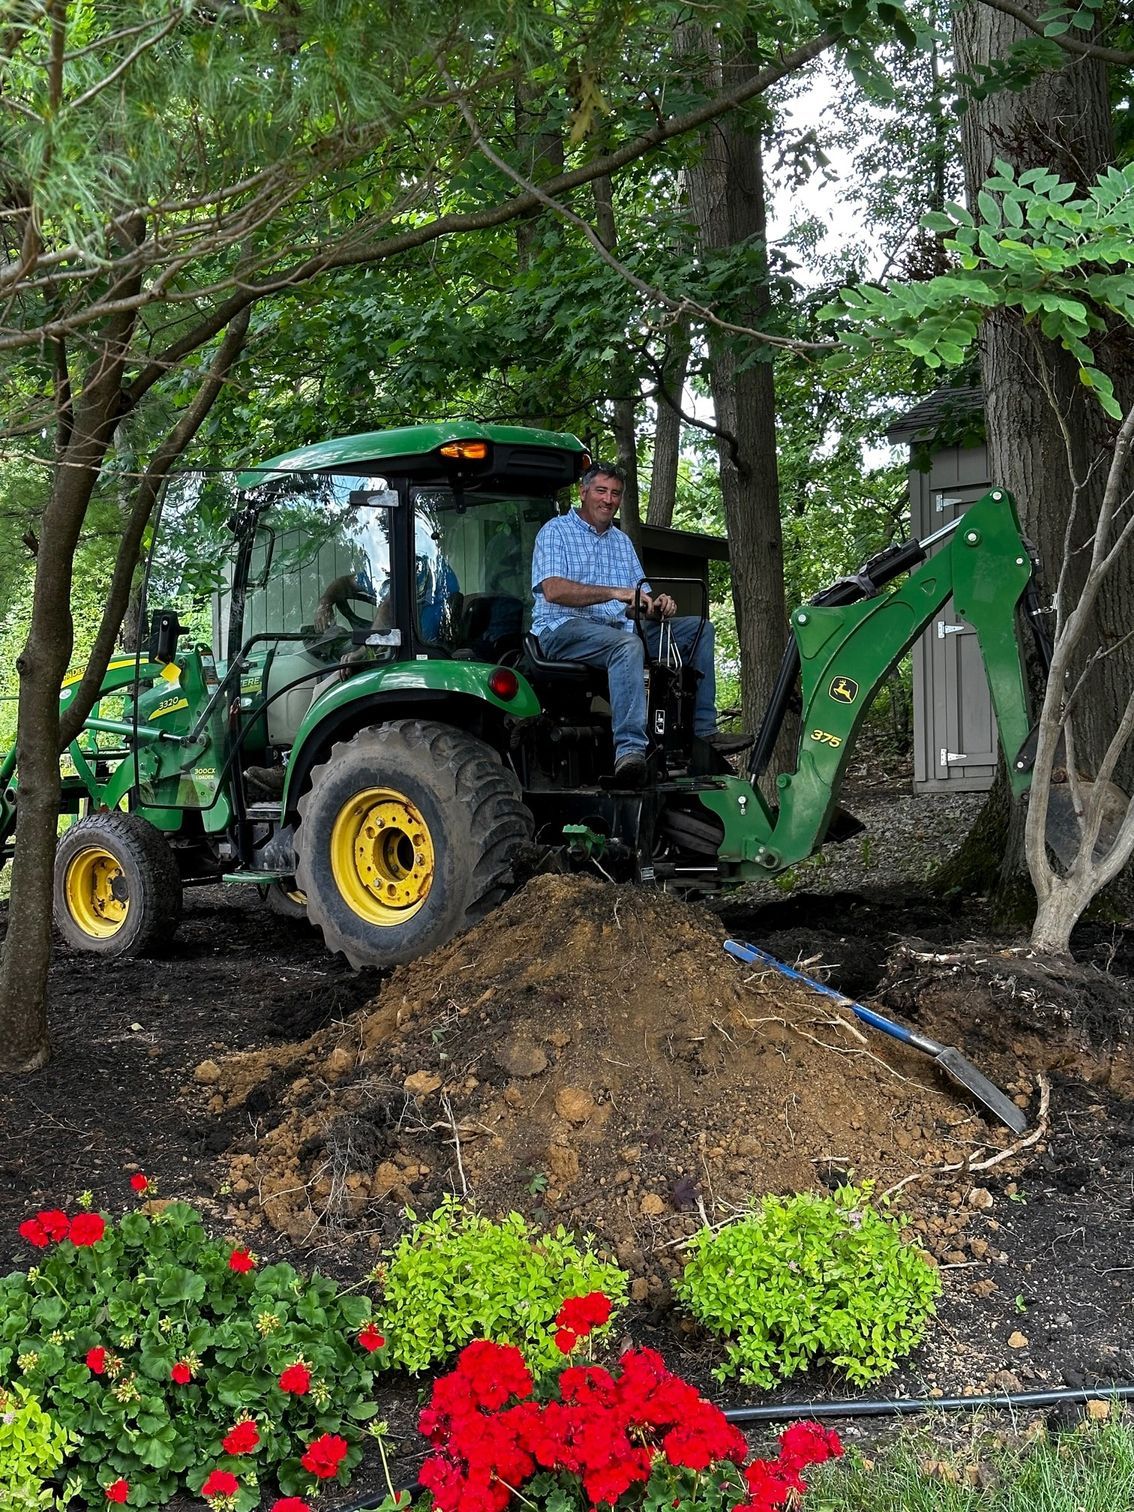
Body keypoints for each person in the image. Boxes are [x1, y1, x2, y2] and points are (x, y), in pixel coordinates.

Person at [530, 461, 749, 785]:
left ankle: (704, 732)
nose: (608, 499)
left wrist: (656, 605)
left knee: (700, 628)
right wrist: (614, 593)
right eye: (601, 491)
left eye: (615, 493)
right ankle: (630, 751)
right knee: (627, 645)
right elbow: (553, 590)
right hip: (562, 628)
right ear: (583, 491)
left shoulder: (621, 542)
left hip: (617, 628)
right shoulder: (555, 531)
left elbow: (638, 601)